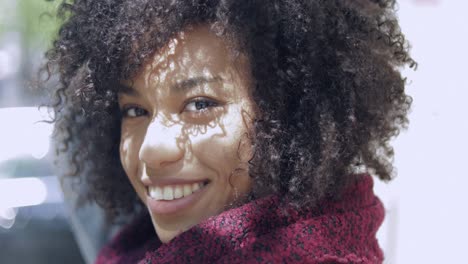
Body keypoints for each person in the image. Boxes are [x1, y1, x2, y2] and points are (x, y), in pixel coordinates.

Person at [45, 0, 415, 263]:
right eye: (135, 110)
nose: (151, 149)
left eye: (200, 104)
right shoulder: (134, 248)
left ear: (288, 116)